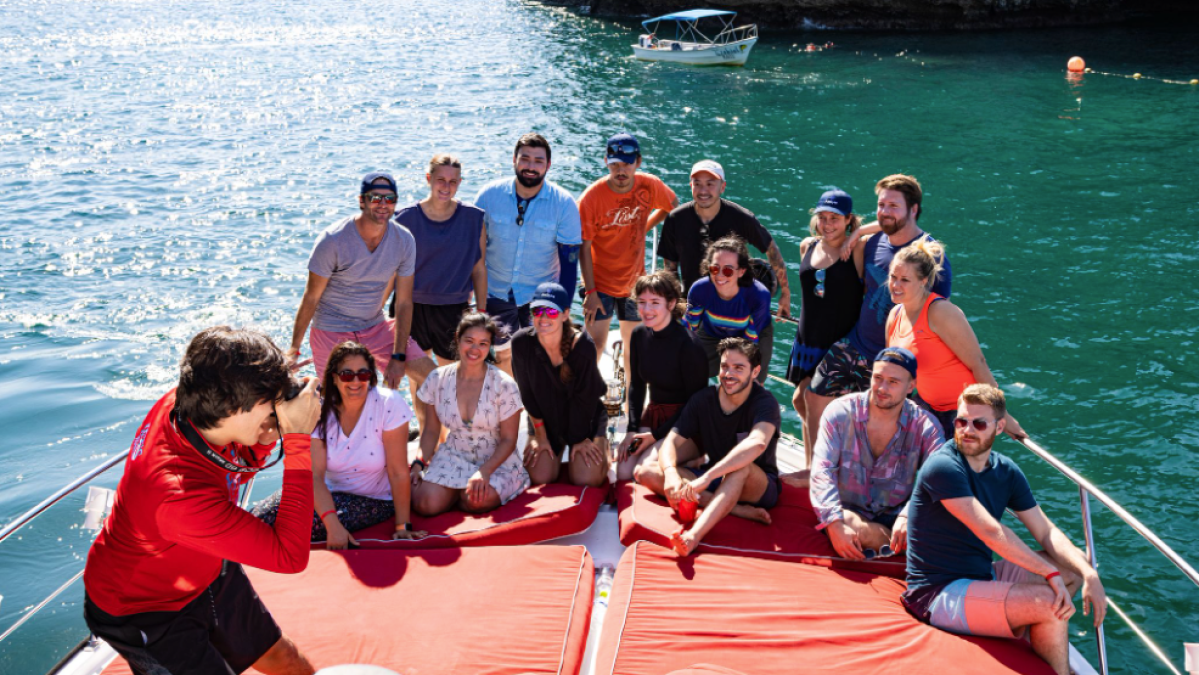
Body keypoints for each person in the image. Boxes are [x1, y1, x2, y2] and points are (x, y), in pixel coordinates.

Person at [83, 326, 321, 675]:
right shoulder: (176, 495)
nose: (280, 405)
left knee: (283, 660)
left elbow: (237, 465)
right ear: (229, 408)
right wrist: (297, 439)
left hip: (204, 564)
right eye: (270, 400)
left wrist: (267, 432)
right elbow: (289, 556)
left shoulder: (191, 403)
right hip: (144, 607)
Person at [904, 385, 1106, 675]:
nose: (967, 430)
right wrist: (1046, 573)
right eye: (961, 421)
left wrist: (1089, 573)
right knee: (1050, 601)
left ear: (999, 427)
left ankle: (1025, 632)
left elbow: (1045, 531)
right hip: (939, 593)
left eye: (979, 423)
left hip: (983, 576)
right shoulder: (943, 466)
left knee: (1071, 571)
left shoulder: (1006, 471)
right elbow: (990, 532)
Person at [803, 174, 953, 457]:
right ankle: (815, 471)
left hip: (894, 360)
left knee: (877, 429)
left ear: (914, 209)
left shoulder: (931, 257)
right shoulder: (872, 243)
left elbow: (939, 317)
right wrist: (858, 233)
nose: (885, 212)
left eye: (893, 206)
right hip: (857, 343)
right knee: (814, 398)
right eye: (881, 205)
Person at [285, 171, 436, 415]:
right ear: (361, 201)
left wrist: (398, 356)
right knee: (339, 406)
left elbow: (405, 302)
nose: (383, 205)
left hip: (375, 326)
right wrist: (294, 349)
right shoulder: (332, 240)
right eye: (376, 198)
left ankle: (436, 444)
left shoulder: (404, 240)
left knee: (433, 377)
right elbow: (311, 297)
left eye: (390, 199)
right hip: (331, 329)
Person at [252, 341, 425, 549]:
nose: (355, 381)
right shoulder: (319, 410)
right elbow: (315, 476)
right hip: (325, 492)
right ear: (334, 377)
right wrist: (333, 524)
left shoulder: (389, 404)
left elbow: (398, 472)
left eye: (363, 374)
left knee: (293, 527)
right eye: (346, 374)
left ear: (371, 376)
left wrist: (402, 526)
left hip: (373, 499)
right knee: (257, 519)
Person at [634, 338, 782, 557]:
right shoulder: (704, 399)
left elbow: (757, 443)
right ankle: (735, 509)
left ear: (755, 372)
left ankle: (693, 536)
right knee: (645, 471)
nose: (728, 374)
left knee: (740, 466)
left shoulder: (765, 403)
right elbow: (671, 443)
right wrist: (672, 474)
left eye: (739, 368)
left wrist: (705, 478)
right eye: (724, 367)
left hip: (757, 485)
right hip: (716, 482)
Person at [807, 348, 943, 560]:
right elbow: (822, 471)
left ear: (911, 386)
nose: (882, 388)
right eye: (878, 378)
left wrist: (909, 515)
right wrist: (833, 524)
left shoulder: (926, 426)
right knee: (854, 527)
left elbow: (937, 479)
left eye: (893, 382)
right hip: (847, 512)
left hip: (898, 516)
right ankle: (904, 550)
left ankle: (896, 546)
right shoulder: (840, 413)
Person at [885, 239, 1026, 439]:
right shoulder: (894, 317)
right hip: (928, 406)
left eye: (905, 280)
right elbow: (895, 371)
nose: (895, 285)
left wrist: (1003, 415)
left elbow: (978, 363)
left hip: (962, 413)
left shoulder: (940, 312)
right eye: (893, 277)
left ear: (923, 281)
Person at [475, 134, 583, 375]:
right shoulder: (488, 196)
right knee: (502, 357)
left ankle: (537, 409)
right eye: (525, 159)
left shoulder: (564, 204)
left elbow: (569, 263)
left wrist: (563, 307)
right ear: (514, 160)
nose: (531, 166)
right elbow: (474, 252)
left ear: (548, 165)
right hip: (496, 292)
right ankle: (513, 408)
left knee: (542, 359)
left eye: (538, 161)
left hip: (541, 296)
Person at [578, 133, 678, 376]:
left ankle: (630, 407)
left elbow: (672, 205)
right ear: (605, 162)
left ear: (638, 162)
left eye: (626, 163)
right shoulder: (591, 198)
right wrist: (590, 292)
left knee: (635, 349)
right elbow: (583, 247)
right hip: (599, 284)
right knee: (595, 346)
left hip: (634, 283)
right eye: (614, 164)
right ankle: (586, 404)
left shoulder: (649, 185)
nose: (620, 170)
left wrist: (644, 227)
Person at [410, 313, 529, 514]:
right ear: (457, 338)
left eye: (483, 343)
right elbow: (431, 431)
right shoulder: (437, 379)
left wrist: (484, 472)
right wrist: (419, 462)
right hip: (453, 455)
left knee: (475, 501)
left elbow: (509, 440)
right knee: (424, 505)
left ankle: (454, 492)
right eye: (469, 341)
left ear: (490, 345)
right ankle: (449, 491)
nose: (475, 349)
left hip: (495, 461)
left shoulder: (504, 384)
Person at [785, 189, 866, 465]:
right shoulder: (808, 245)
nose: (828, 224)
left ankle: (815, 471)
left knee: (806, 400)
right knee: (803, 403)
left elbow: (892, 228)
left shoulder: (857, 249)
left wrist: (856, 234)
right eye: (823, 217)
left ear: (848, 220)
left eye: (835, 218)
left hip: (836, 345)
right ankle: (817, 466)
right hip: (807, 341)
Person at [658, 159, 791, 317]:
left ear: (723, 186)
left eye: (710, 183)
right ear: (690, 185)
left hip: (733, 308)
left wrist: (785, 294)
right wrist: (678, 304)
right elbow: (670, 269)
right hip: (693, 306)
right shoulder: (675, 219)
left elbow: (771, 249)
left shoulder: (742, 218)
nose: (703, 190)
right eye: (697, 183)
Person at [510, 283, 609, 488]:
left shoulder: (582, 347)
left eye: (551, 311)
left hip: (584, 418)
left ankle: (604, 445)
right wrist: (540, 435)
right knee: (539, 477)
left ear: (565, 314)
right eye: (537, 311)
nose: (543, 318)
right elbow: (526, 393)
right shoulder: (521, 343)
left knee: (586, 479)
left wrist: (580, 439)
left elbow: (585, 401)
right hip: (544, 418)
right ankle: (556, 447)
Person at [393, 154, 487, 364]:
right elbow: (392, 271)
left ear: (460, 183)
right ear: (429, 178)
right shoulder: (405, 218)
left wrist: (482, 314)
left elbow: (479, 269)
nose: (446, 186)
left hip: (453, 307)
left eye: (453, 181)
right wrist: (374, 311)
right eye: (441, 180)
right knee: (419, 380)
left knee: (450, 379)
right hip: (411, 307)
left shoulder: (473, 218)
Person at [615, 271, 708, 481]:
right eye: (641, 302)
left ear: (671, 303)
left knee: (644, 469)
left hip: (686, 426)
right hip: (654, 417)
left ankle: (694, 459)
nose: (647, 310)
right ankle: (677, 459)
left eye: (655, 302)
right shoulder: (639, 335)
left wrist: (655, 437)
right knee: (623, 471)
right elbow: (637, 386)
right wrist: (631, 430)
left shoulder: (689, 346)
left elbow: (696, 404)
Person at [685, 236, 774, 382]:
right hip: (712, 332)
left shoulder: (759, 295)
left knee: (749, 381)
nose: (719, 275)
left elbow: (748, 342)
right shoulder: (699, 290)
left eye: (728, 271)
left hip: (751, 336)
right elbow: (689, 330)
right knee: (688, 369)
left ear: (741, 271)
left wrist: (730, 369)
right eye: (714, 268)